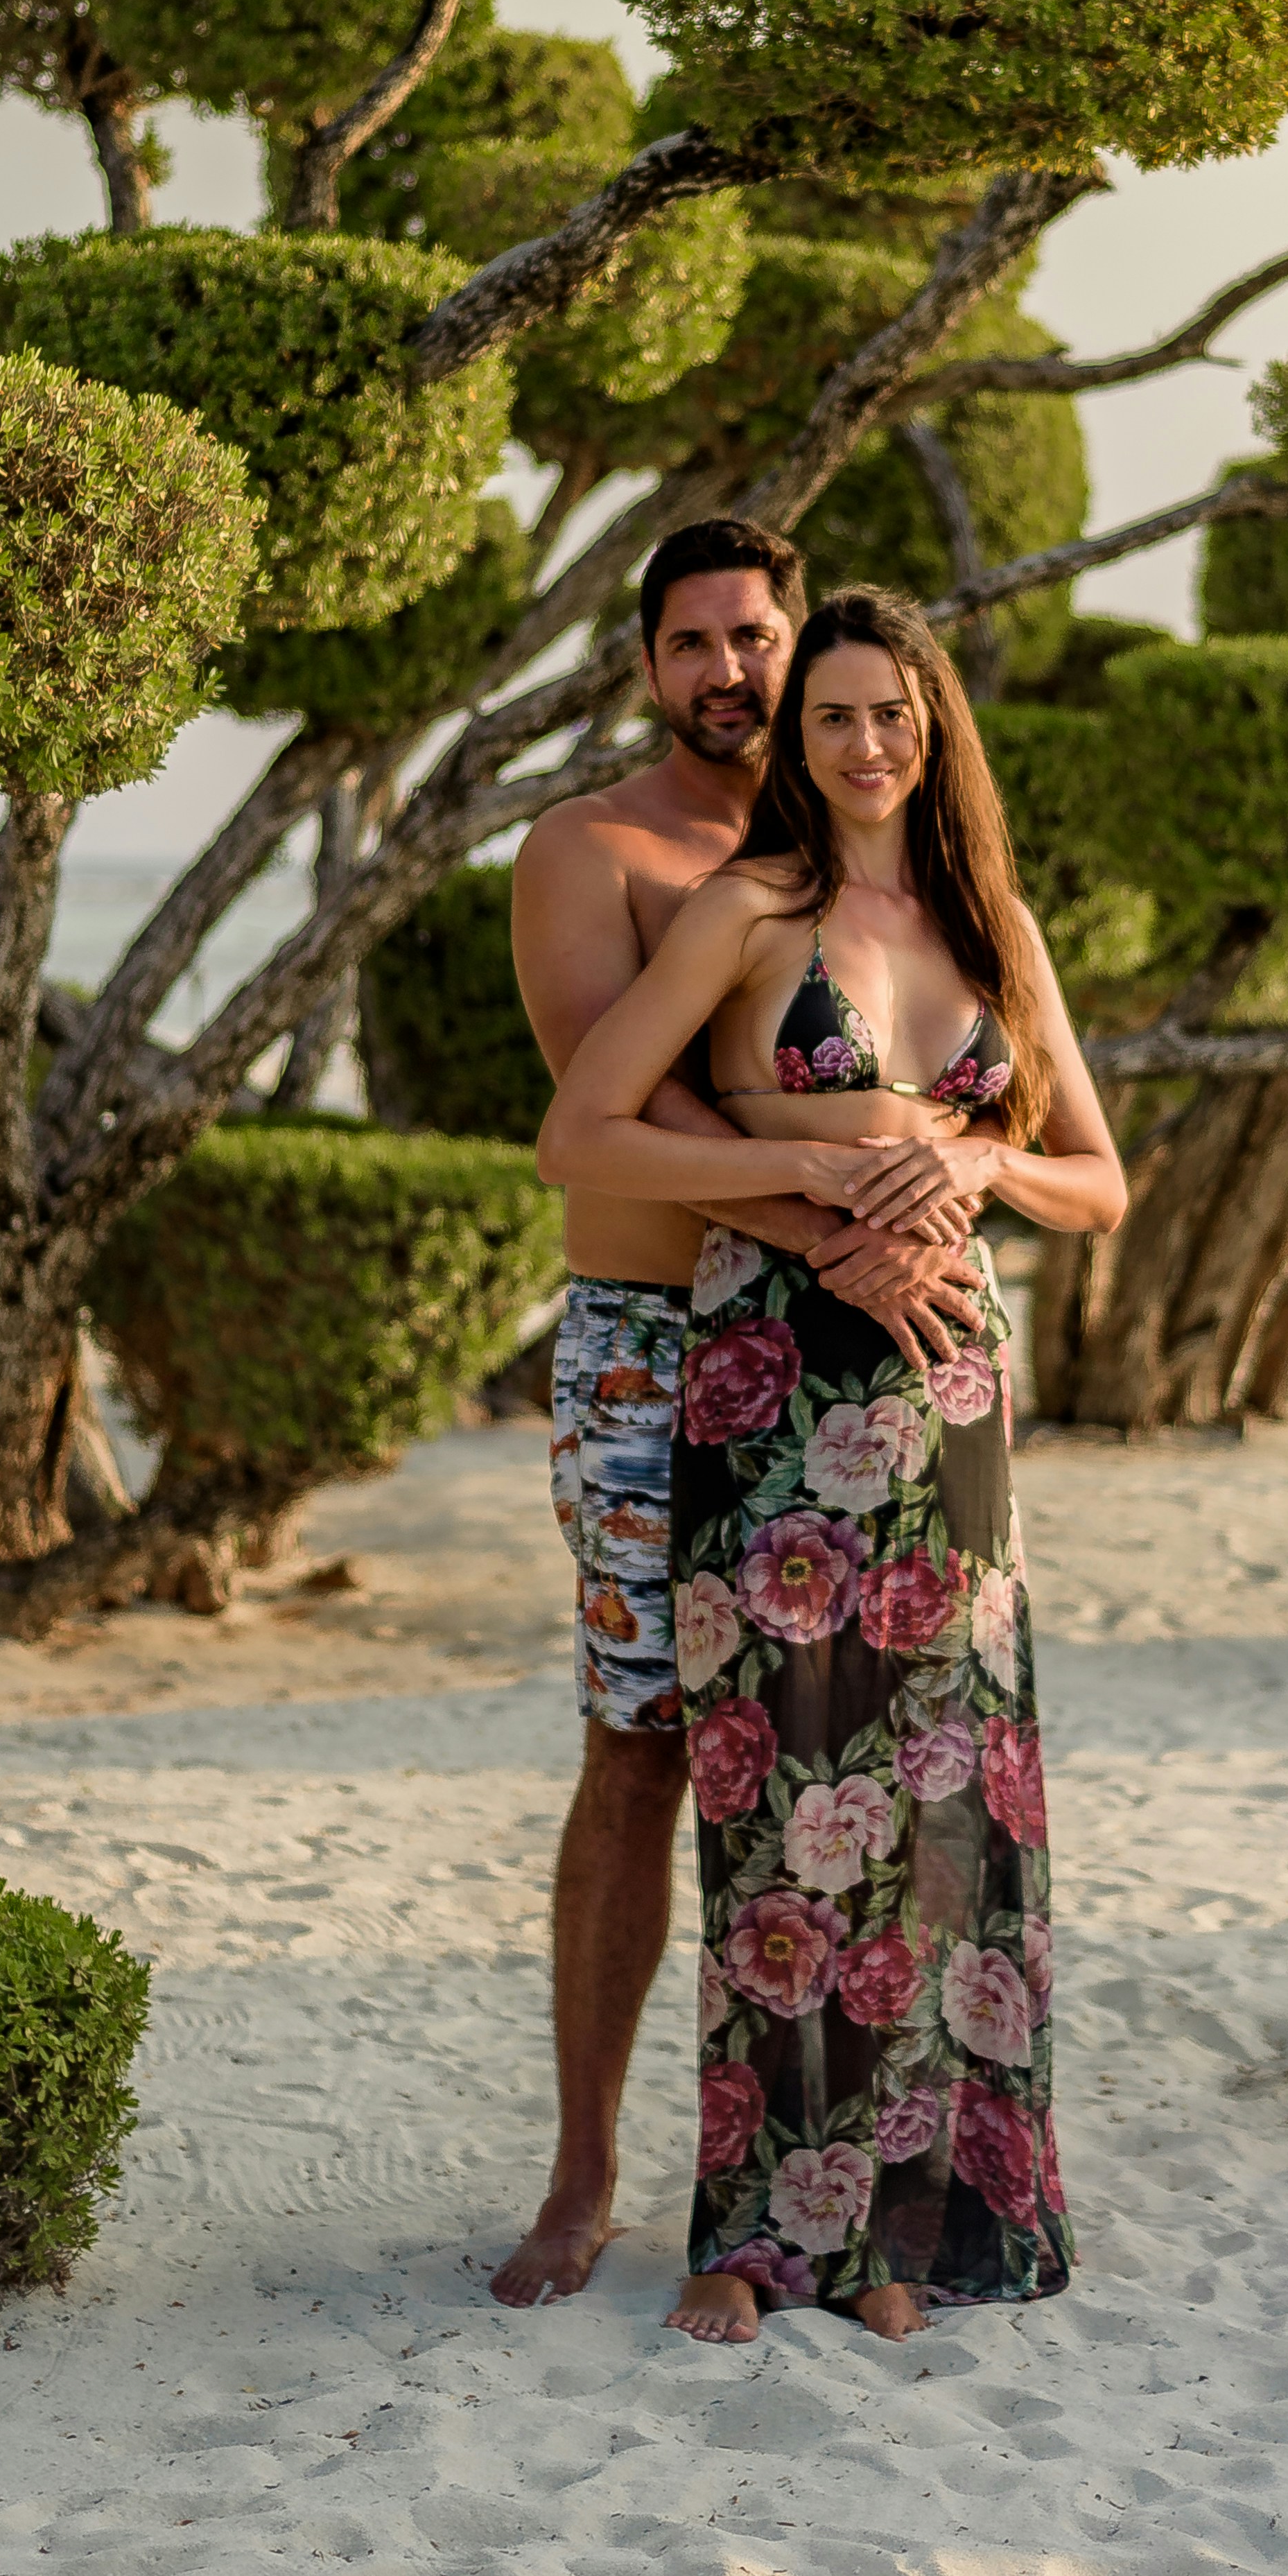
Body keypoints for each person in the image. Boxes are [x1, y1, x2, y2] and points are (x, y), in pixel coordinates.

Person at [539, 584, 1128, 2343]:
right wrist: (817, 1184)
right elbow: (585, 1124)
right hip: (771, 1378)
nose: (863, 742)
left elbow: (1097, 1178)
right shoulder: (744, 911)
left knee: (936, 1800)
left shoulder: (994, 924)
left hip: (946, 1394)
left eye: (890, 713)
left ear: (934, 726)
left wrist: (969, 1167)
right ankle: (746, 2233)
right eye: (832, 718)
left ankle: (898, 2229)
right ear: (799, 748)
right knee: (776, 1793)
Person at [491, 521, 987, 2310]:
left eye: (754, 635)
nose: (730, 670)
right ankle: (581, 2177)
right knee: (637, 1748)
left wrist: (890, 1225)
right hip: (645, 1343)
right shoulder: (590, 848)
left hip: (843, 1364)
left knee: (842, 1766)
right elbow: (604, 1096)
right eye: (692, 640)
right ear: (645, 665)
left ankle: (834, 2193)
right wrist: (827, 1227)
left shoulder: (850, 864)